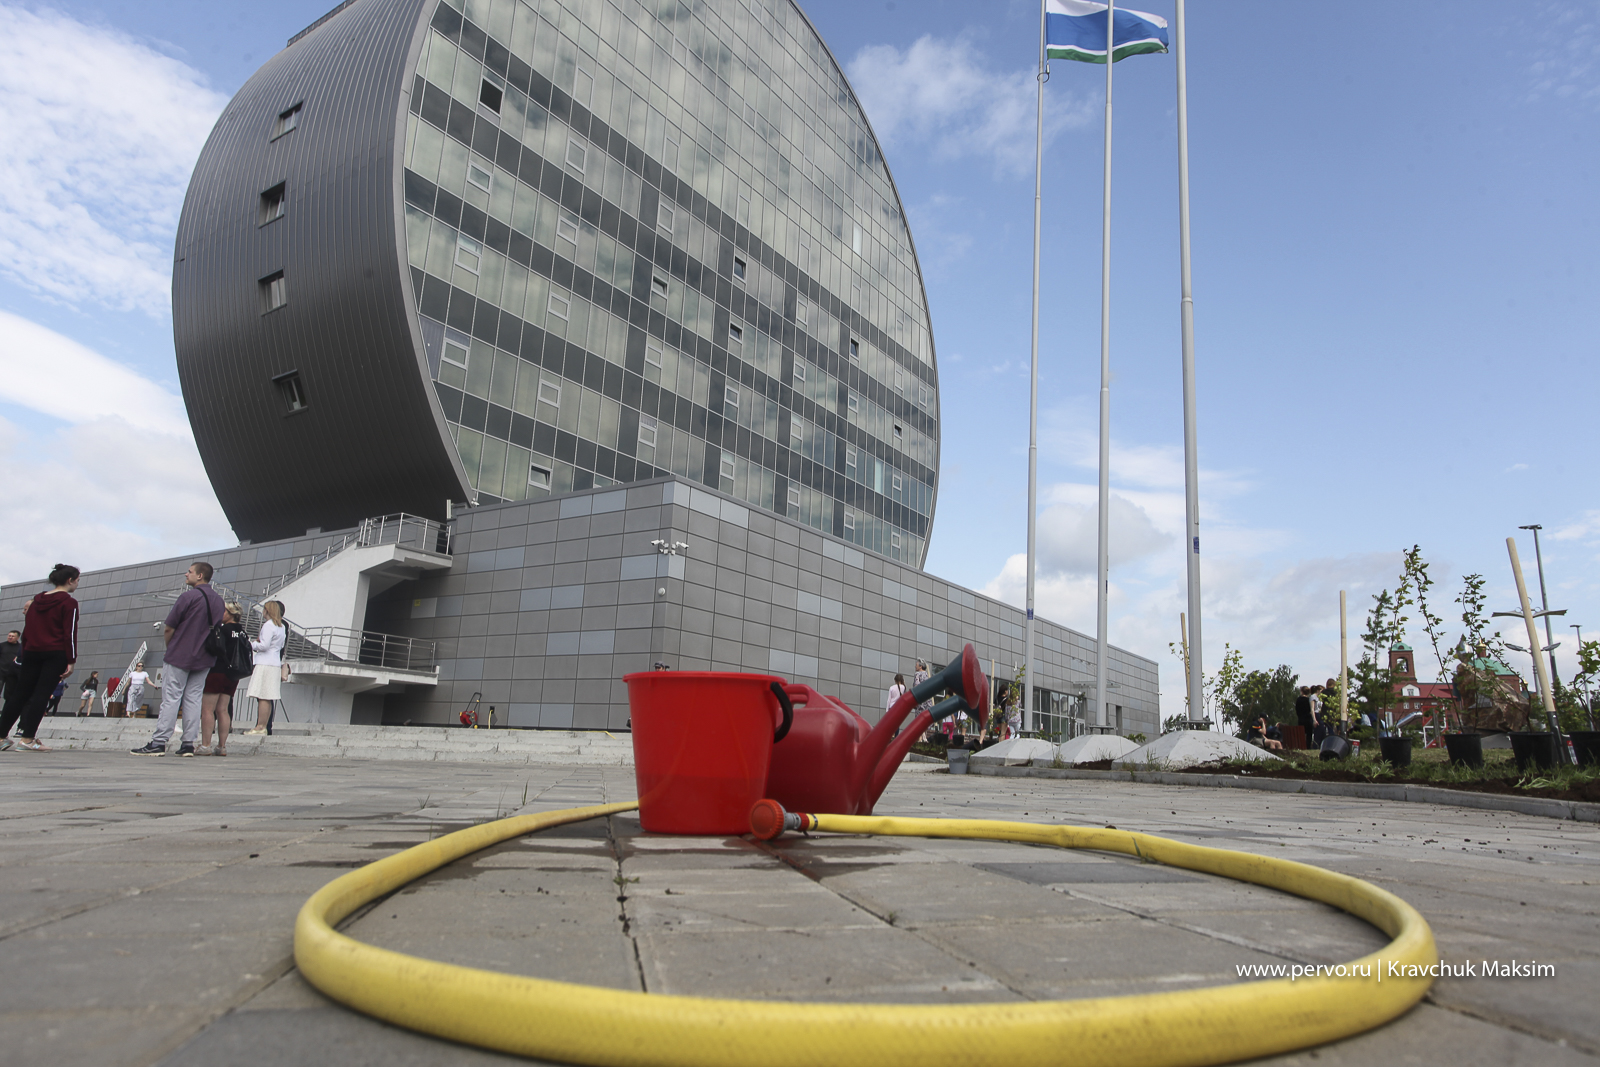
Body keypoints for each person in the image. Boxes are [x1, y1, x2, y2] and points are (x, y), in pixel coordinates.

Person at [131, 562, 223, 757]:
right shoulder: (218, 601)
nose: (186, 574)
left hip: (180, 654)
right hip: (205, 656)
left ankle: (159, 742)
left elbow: (169, 627)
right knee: (194, 699)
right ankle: (188, 744)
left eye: (189, 572)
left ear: (200, 576)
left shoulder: (188, 597)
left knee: (171, 698)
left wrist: (170, 647)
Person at [0, 563, 82, 752]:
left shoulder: (37, 601)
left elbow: (27, 629)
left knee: (20, 694)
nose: (78, 584)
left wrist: (25, 652)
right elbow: (69, 633)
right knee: (41, 695)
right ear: (70, 580)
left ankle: (1, 736)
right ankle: (27, 739)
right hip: (55, 653)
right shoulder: (69, 603)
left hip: (31, 652)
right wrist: (71, 660)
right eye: (77, 580)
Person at [199, 602, 248, 756]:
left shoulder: (223, 630)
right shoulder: (242, 632)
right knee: (223, 709)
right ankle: (222, 746)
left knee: (208, 709)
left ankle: (206, 745)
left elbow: (214, 648)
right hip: (233, 674)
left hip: (217, 671)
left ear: (231, 613)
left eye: (223, 611)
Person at [243, 600, 287, 735]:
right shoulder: (281, 626)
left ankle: (260, 726)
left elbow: (264, 646)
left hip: (265, 663)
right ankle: (263, 726)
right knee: (267, 696)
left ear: (268, 610)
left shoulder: (268, 625)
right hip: (274, 663)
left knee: (262, 695)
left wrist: (251, 644)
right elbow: (279, 645)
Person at [0, 630, 21, 706]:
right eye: (9, 636)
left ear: (17, 638)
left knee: (9, 694)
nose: (10, 637)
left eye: (13, 636)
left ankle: (7, 709)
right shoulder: (2, 646)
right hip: (1, 672)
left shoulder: (20, 648)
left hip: (12, 674)